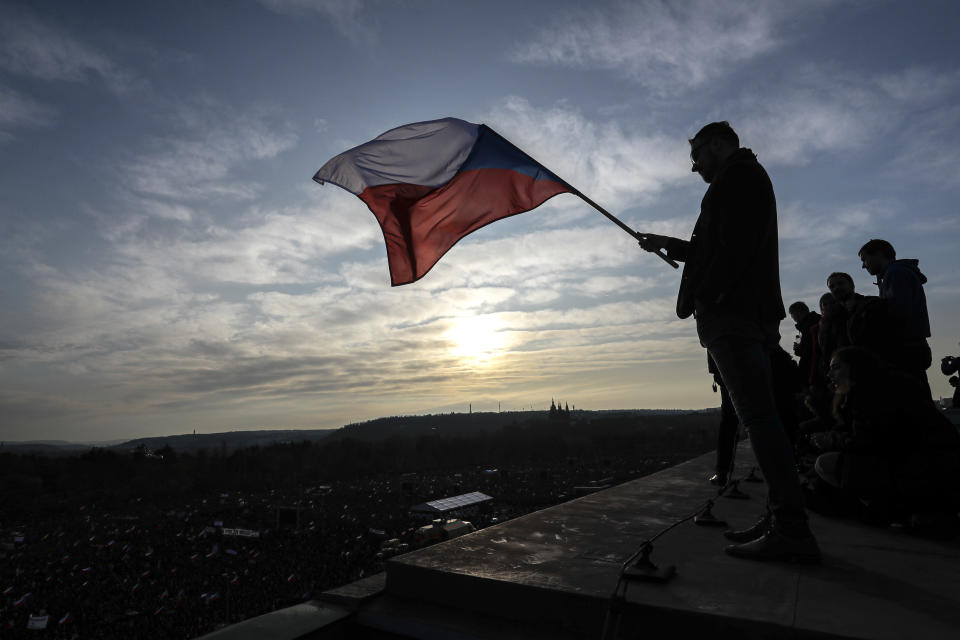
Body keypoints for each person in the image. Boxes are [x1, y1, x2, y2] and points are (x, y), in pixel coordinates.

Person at [639, 121, 818, 562]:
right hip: (746, 312)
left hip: (734, 315)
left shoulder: (736, 178)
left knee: (759, 419)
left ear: (719, 144)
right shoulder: (746, 178)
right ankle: (782, 517)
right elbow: (721, 248)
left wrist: (713, 298)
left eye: (698, 155)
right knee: (763, 417)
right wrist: (670, 245)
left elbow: (732, 251)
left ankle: (791, 530)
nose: (695, 166)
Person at [811, 346, 960, 524]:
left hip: (923, 474)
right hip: (939, 470)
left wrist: (830, 439)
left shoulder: (870, 393)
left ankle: (899, 509)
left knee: (826, 464)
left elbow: (869, 443)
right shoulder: (886, 383)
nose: (830, 375)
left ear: (854, 367)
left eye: (836, 367)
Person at [859, 239, 933, 397]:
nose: (864, 265)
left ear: (879, 254)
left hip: (906, 346)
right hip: (913, 344)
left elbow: (898, 313)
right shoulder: (896, 274)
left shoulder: (895, 273)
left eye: (865, 259)